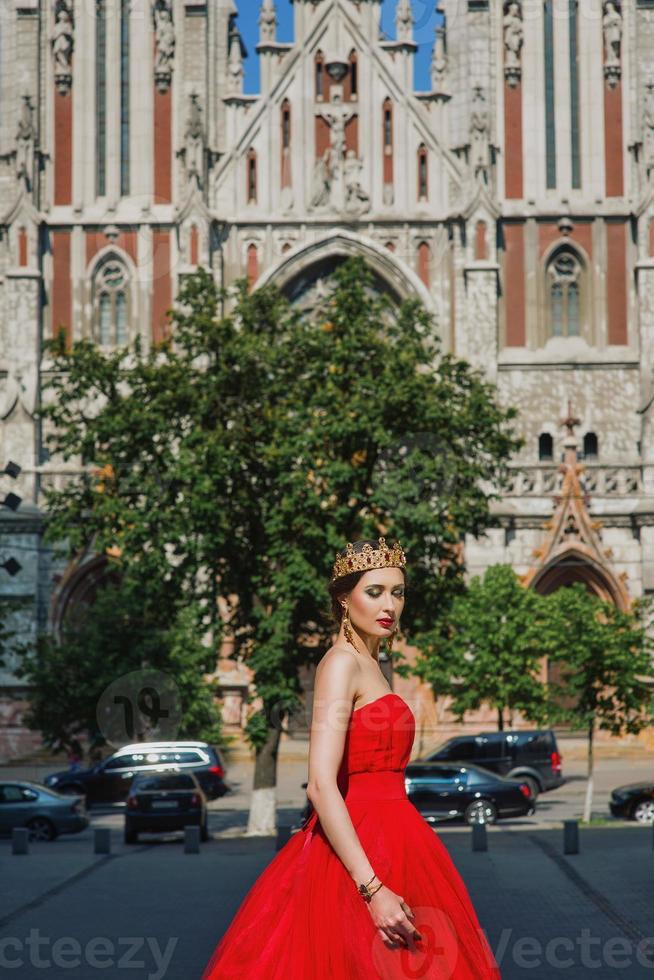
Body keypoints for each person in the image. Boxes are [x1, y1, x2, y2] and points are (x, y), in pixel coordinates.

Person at [202, 537, 501, 979]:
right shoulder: (340, 663)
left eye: (397, 593)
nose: (390, 606)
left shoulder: (373, 665)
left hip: (402, 838)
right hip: (358, 854)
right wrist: (372, 888)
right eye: (374, 591)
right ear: (345, 598)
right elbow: (321, 784)